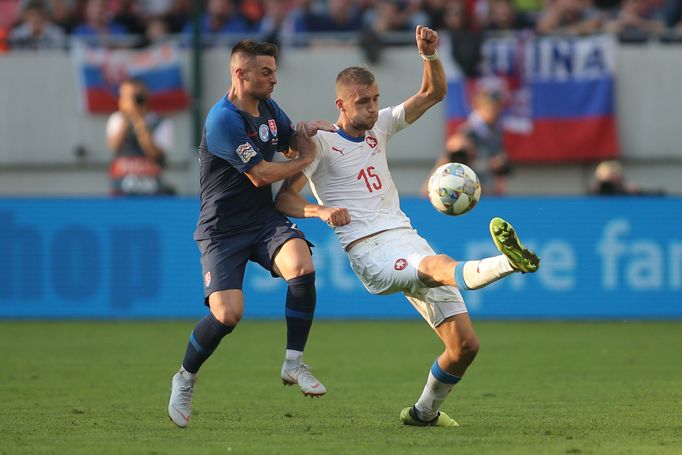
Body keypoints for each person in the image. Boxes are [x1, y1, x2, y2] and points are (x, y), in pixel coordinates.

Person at [274, 25, 540, 427]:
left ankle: (423, 414)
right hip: (369, 251)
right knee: (438, 266)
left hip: (405, 236)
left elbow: (432, 94)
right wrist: (321, 212)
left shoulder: (379, 125)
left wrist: (430, 57)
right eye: (362, 102)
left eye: (375, 99)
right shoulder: (320, 146)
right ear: (341, 105)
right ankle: (508, 263)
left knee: (465, 346)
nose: (371, 107)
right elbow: (285, 199)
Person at [167, 39, 337, 428]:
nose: (274, 79)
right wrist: (306, 157)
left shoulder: (268, 108)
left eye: (274, 71)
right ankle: (185, 377)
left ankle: (294, 363)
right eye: (266, 72)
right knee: (227, 315)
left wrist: (302, 132)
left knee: (301, 265)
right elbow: (260, 174)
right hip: (222, 230)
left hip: (262, 222)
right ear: (240, 74)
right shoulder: (222, 120)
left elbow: (287, 140)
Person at [423, 83, 511, 196]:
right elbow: (451, 165)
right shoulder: (465, 135)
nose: (496, 112)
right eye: (491, 107)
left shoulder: (495, 131)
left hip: (487, 192)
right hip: (466, 193)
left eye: (497, 107)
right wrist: (429, 186)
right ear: (479, 107)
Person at [106, 78, 175, 196]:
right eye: (125, 97)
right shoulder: (117, 119)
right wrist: (127, 117)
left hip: (152, 188)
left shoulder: (161, 122)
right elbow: (114, 145)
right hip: (121, 188)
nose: (131, 101)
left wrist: (139, 120)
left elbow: (154, 153)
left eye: (135, 97)